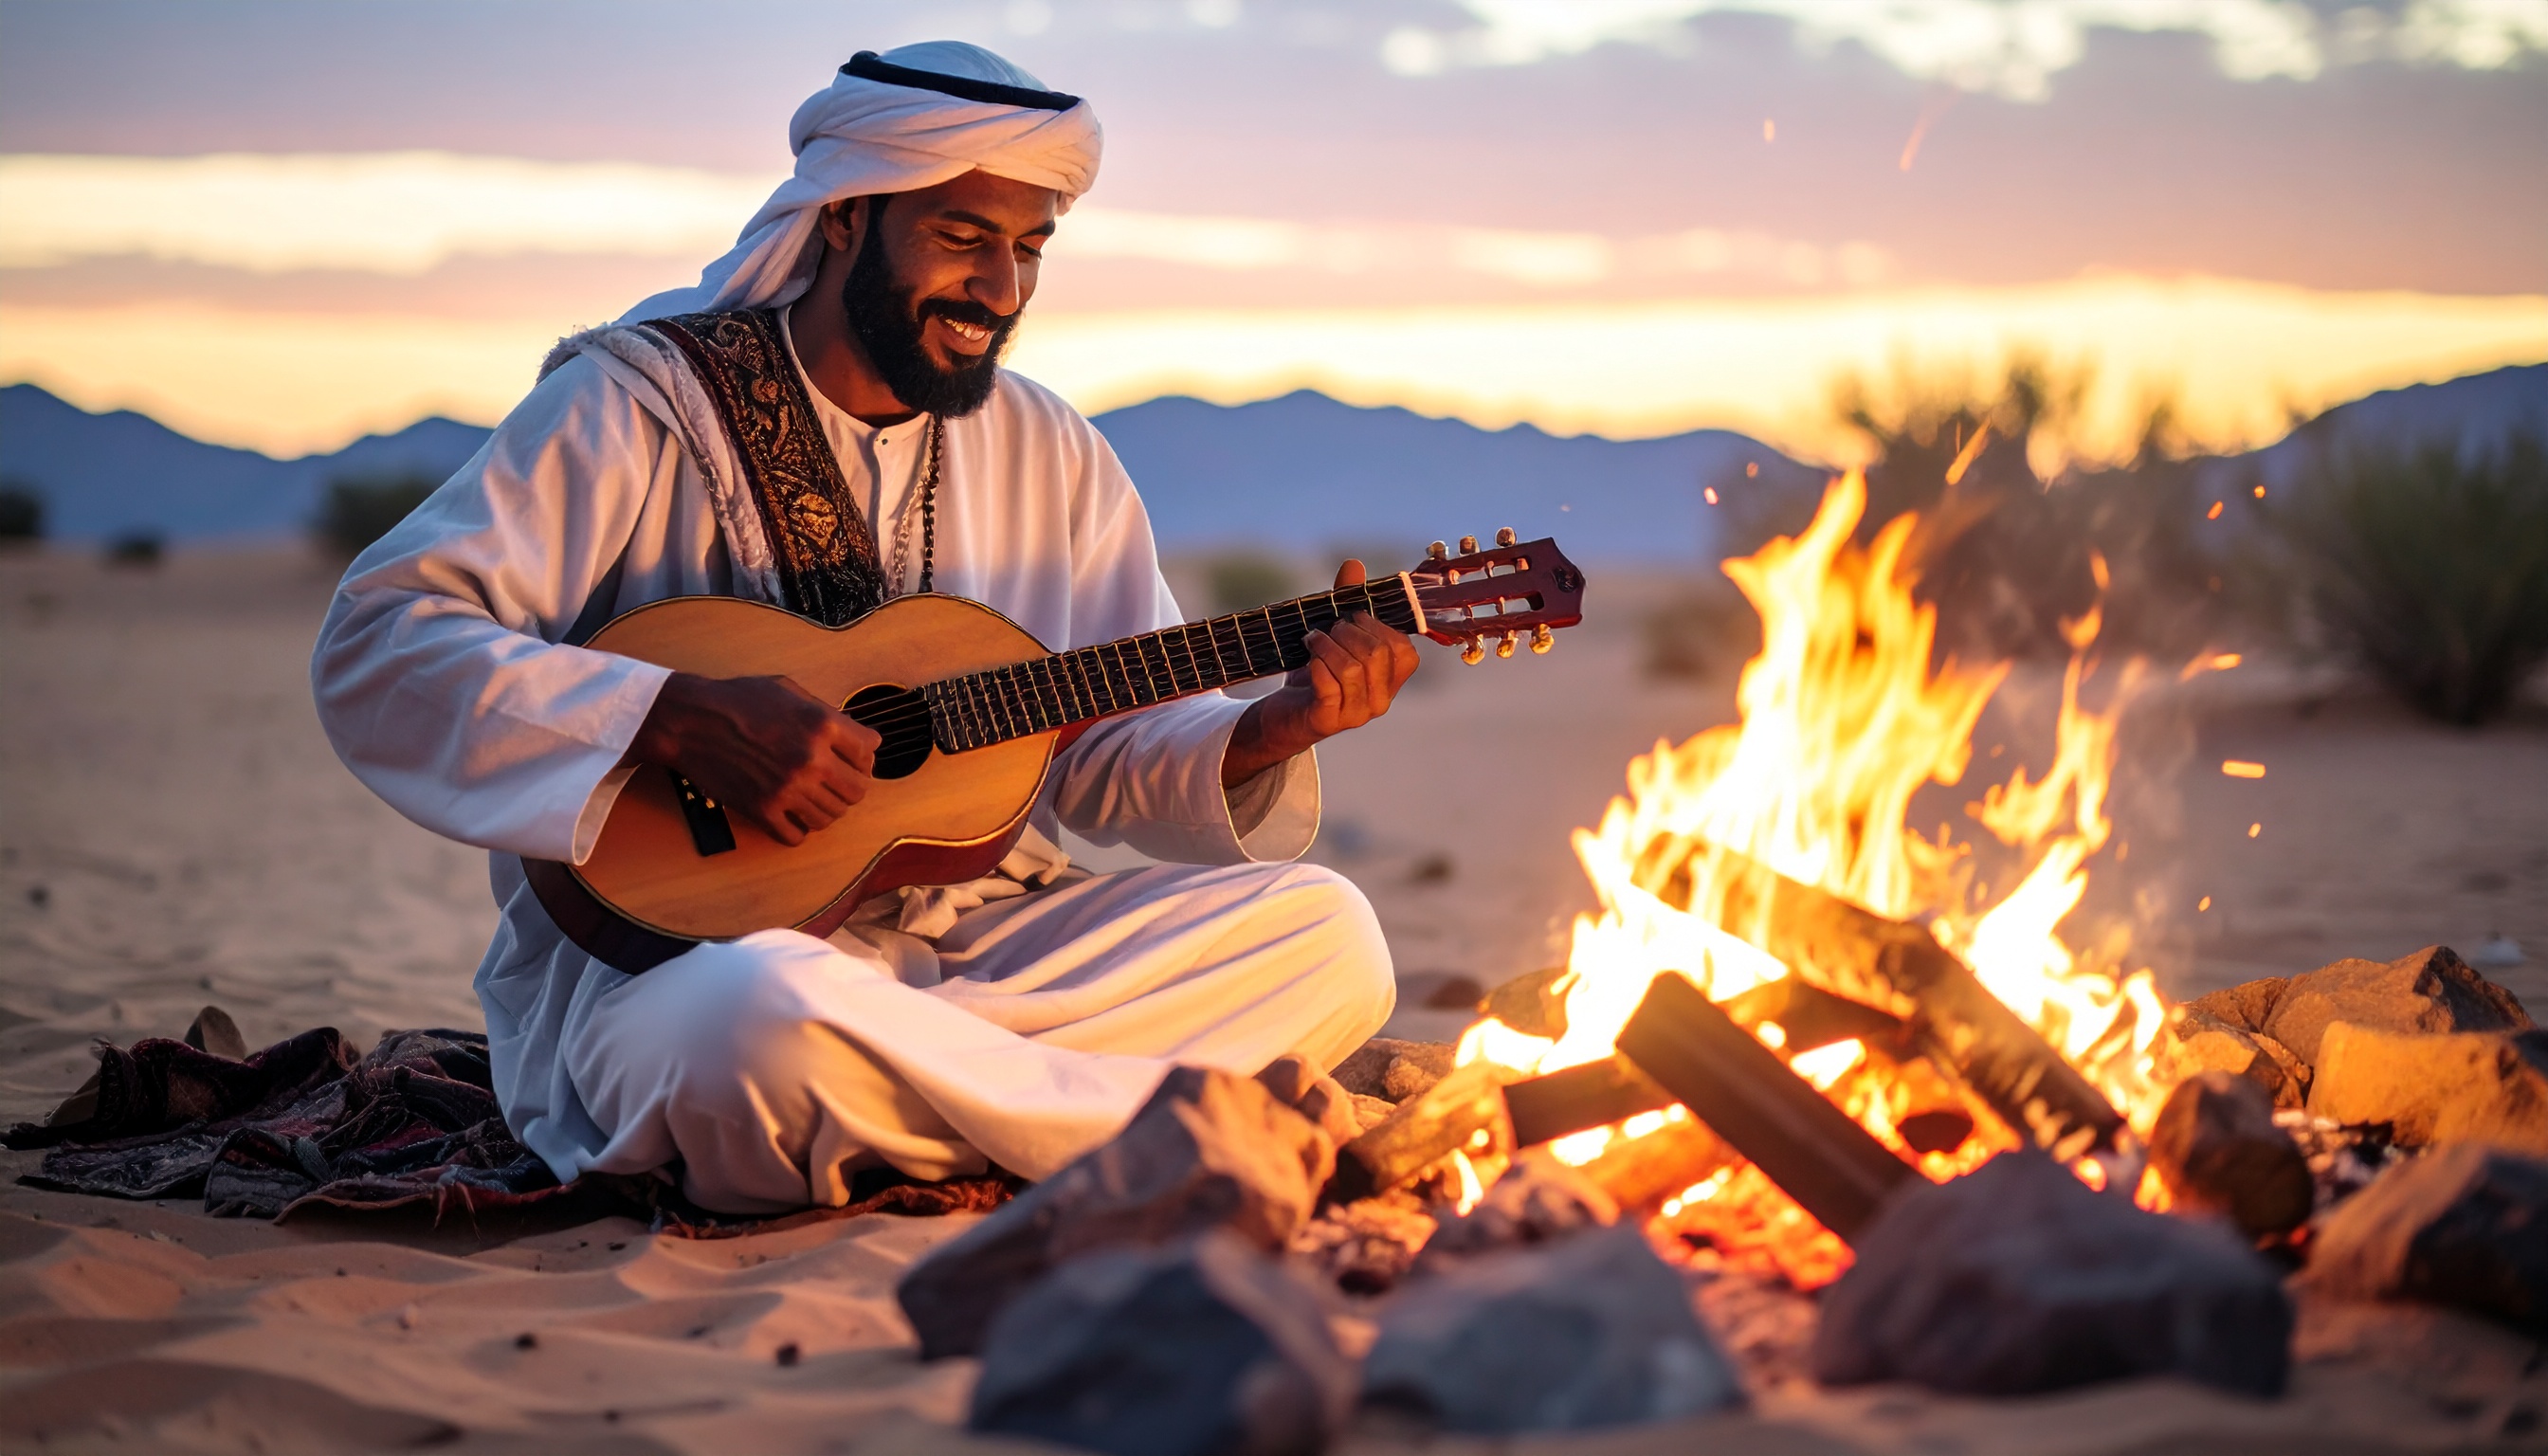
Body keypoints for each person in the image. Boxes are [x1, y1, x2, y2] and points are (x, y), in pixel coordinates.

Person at [310, 42, 1417, 1214]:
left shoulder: (1052, 452)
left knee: (1331, 933)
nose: (1003, 288)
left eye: (1029, 248)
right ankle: (1111, 1118)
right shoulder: (633, 406)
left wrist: (1264, 732)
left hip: (991, 947)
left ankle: (974, 1108)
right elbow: (384, 640)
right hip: (698, 963)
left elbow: (1097, 756)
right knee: (752, 1031)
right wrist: (667, 717)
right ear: (843, 220)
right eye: (961, 238)